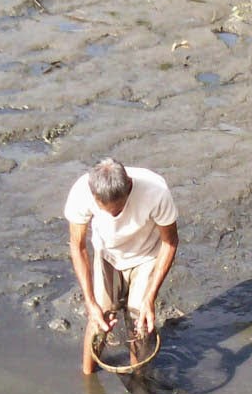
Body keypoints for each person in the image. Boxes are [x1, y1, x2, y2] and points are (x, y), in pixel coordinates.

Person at [65, 158, 178, 375]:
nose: (112, 216)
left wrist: (150, 297)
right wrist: (90, 303)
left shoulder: (155, 191)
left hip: (146, 255)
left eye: (117, 211)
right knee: (99, 318)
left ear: (129, 187)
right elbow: (78, 247)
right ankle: (88, 377)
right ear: (94, 196)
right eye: (104, 210)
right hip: (108, 254)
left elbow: (170, 242)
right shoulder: (81, 192)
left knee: (140, 322)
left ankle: (138, 377)